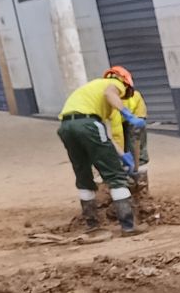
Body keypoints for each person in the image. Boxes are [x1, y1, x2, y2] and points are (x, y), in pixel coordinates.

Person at [58, 66, 141, 234]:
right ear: (125, 83)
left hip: (66, 127)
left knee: (83, 175)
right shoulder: (113, 84)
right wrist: (127, 114)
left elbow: (105, 137)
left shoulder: (91, 91)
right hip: (88, 125)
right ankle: (128, 226)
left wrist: (123, 155)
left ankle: (92, 225)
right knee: (115, 175)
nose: (122, 96)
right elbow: (110, 94)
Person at [109, 72, 150, 197]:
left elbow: (139, 122)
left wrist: (136, 160)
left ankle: (140, 187)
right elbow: (113, 133)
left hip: (132, 122)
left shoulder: (135, 96)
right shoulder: (107, 99)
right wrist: (121, 155)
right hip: (114, 127)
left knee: (138, 153)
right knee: (114, 156)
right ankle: (121, 190)